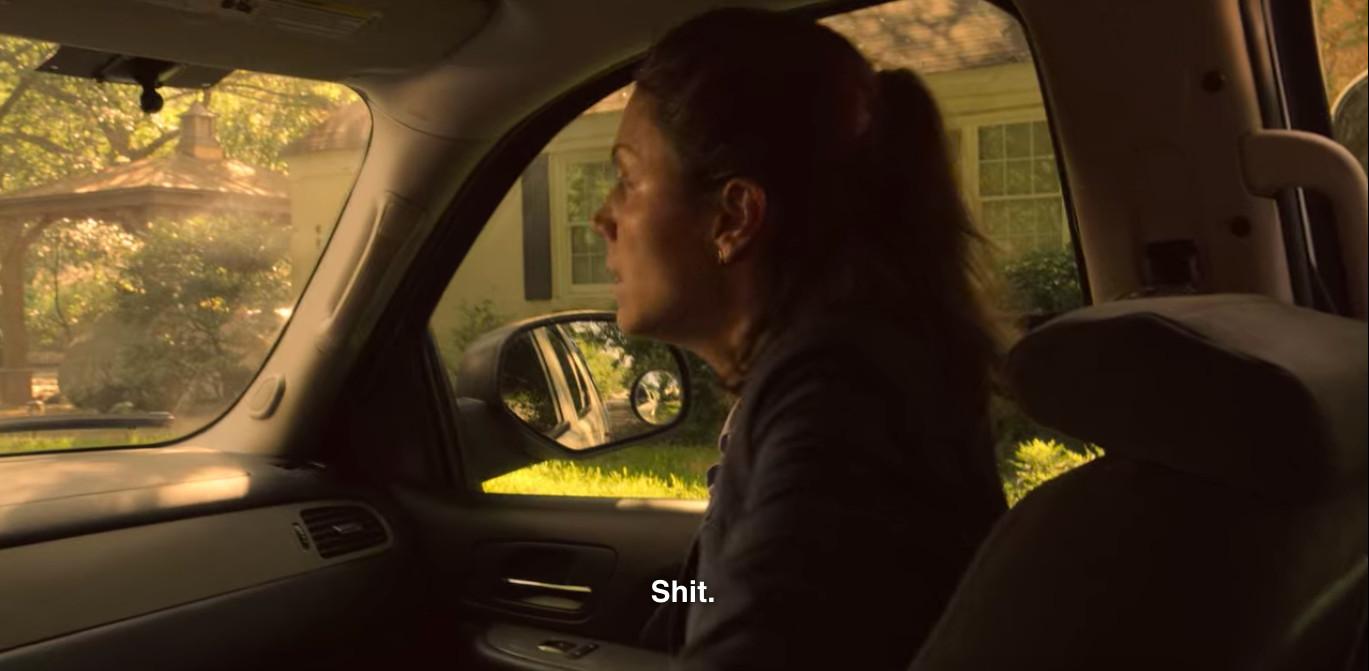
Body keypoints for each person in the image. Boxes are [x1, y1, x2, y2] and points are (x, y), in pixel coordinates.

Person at [591, 8, 1011, 670]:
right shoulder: (843, 369)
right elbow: (727, 590)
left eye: (627, 177)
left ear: (733, 217)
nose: (602, 216)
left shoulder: (841, 399)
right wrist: (666, 592)